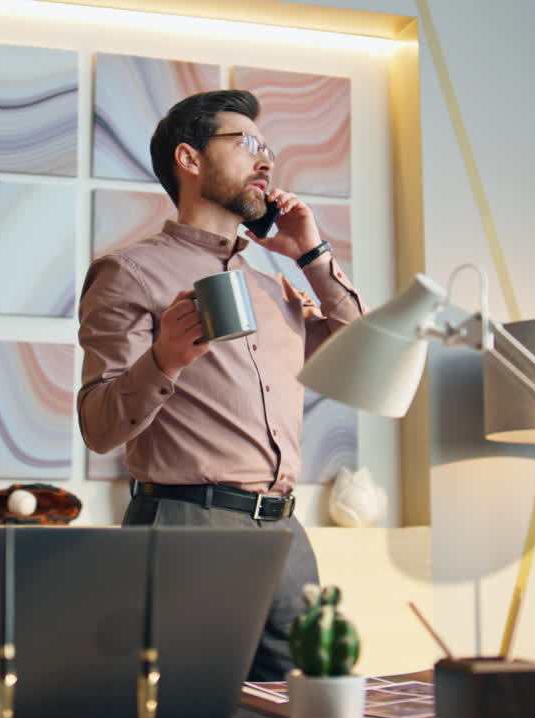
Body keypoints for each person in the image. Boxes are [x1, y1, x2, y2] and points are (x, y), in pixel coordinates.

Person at [76, 89, 366, 681]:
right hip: (188, 528)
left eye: (268, 150)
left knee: (304, 707)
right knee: (187, 704)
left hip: (286, 535)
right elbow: (99, 428)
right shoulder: (128, 273)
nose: (266, 161)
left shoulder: (275, 289)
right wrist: (165, 359)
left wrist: (312, 254)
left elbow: (362, 356)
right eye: (248, 144)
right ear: (189, 158)